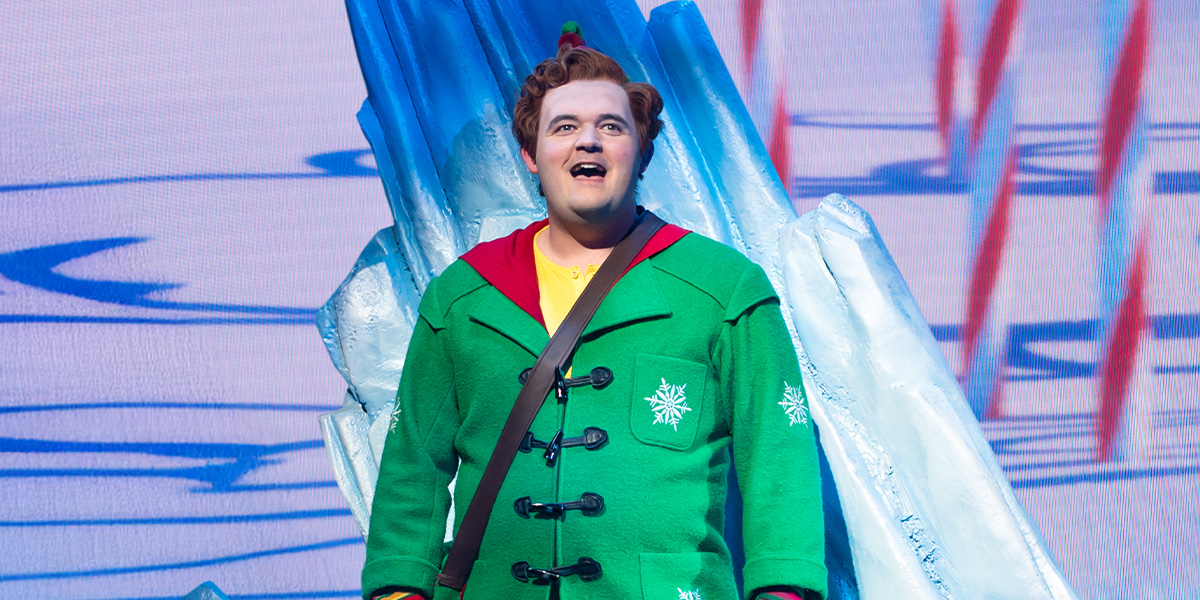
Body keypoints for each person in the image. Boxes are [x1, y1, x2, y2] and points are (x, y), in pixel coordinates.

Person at [361, 40, 827, 600]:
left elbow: (778, 455)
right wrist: (397, 589)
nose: (588, 140)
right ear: (531, 154)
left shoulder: (723, 289)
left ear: (642, 150)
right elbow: (412, 466)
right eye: (564, 127)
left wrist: (783, 590)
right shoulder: (463, 298)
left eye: (611, 126)